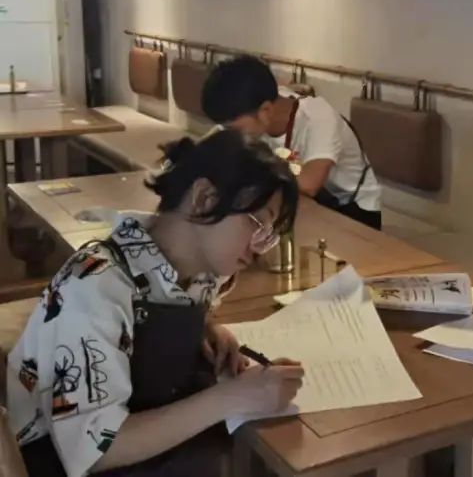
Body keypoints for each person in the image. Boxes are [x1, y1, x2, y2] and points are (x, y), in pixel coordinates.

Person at [8, 130, 306, 476]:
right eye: (258, 225)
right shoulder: (94, 286)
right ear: (204, 198)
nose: (258, 248)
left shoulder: (198, 270)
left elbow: (161, 310)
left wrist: (206, 329)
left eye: (268, 236)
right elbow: (95, 451)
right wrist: (236, 396)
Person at [201, 55, 382, 230]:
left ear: (265, 111)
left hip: (353, 208)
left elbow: (310, 184)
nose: (231, 135)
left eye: (234, 129)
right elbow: (206, 151)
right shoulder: (256, 107)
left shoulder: (319, 118)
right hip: (307, 202)